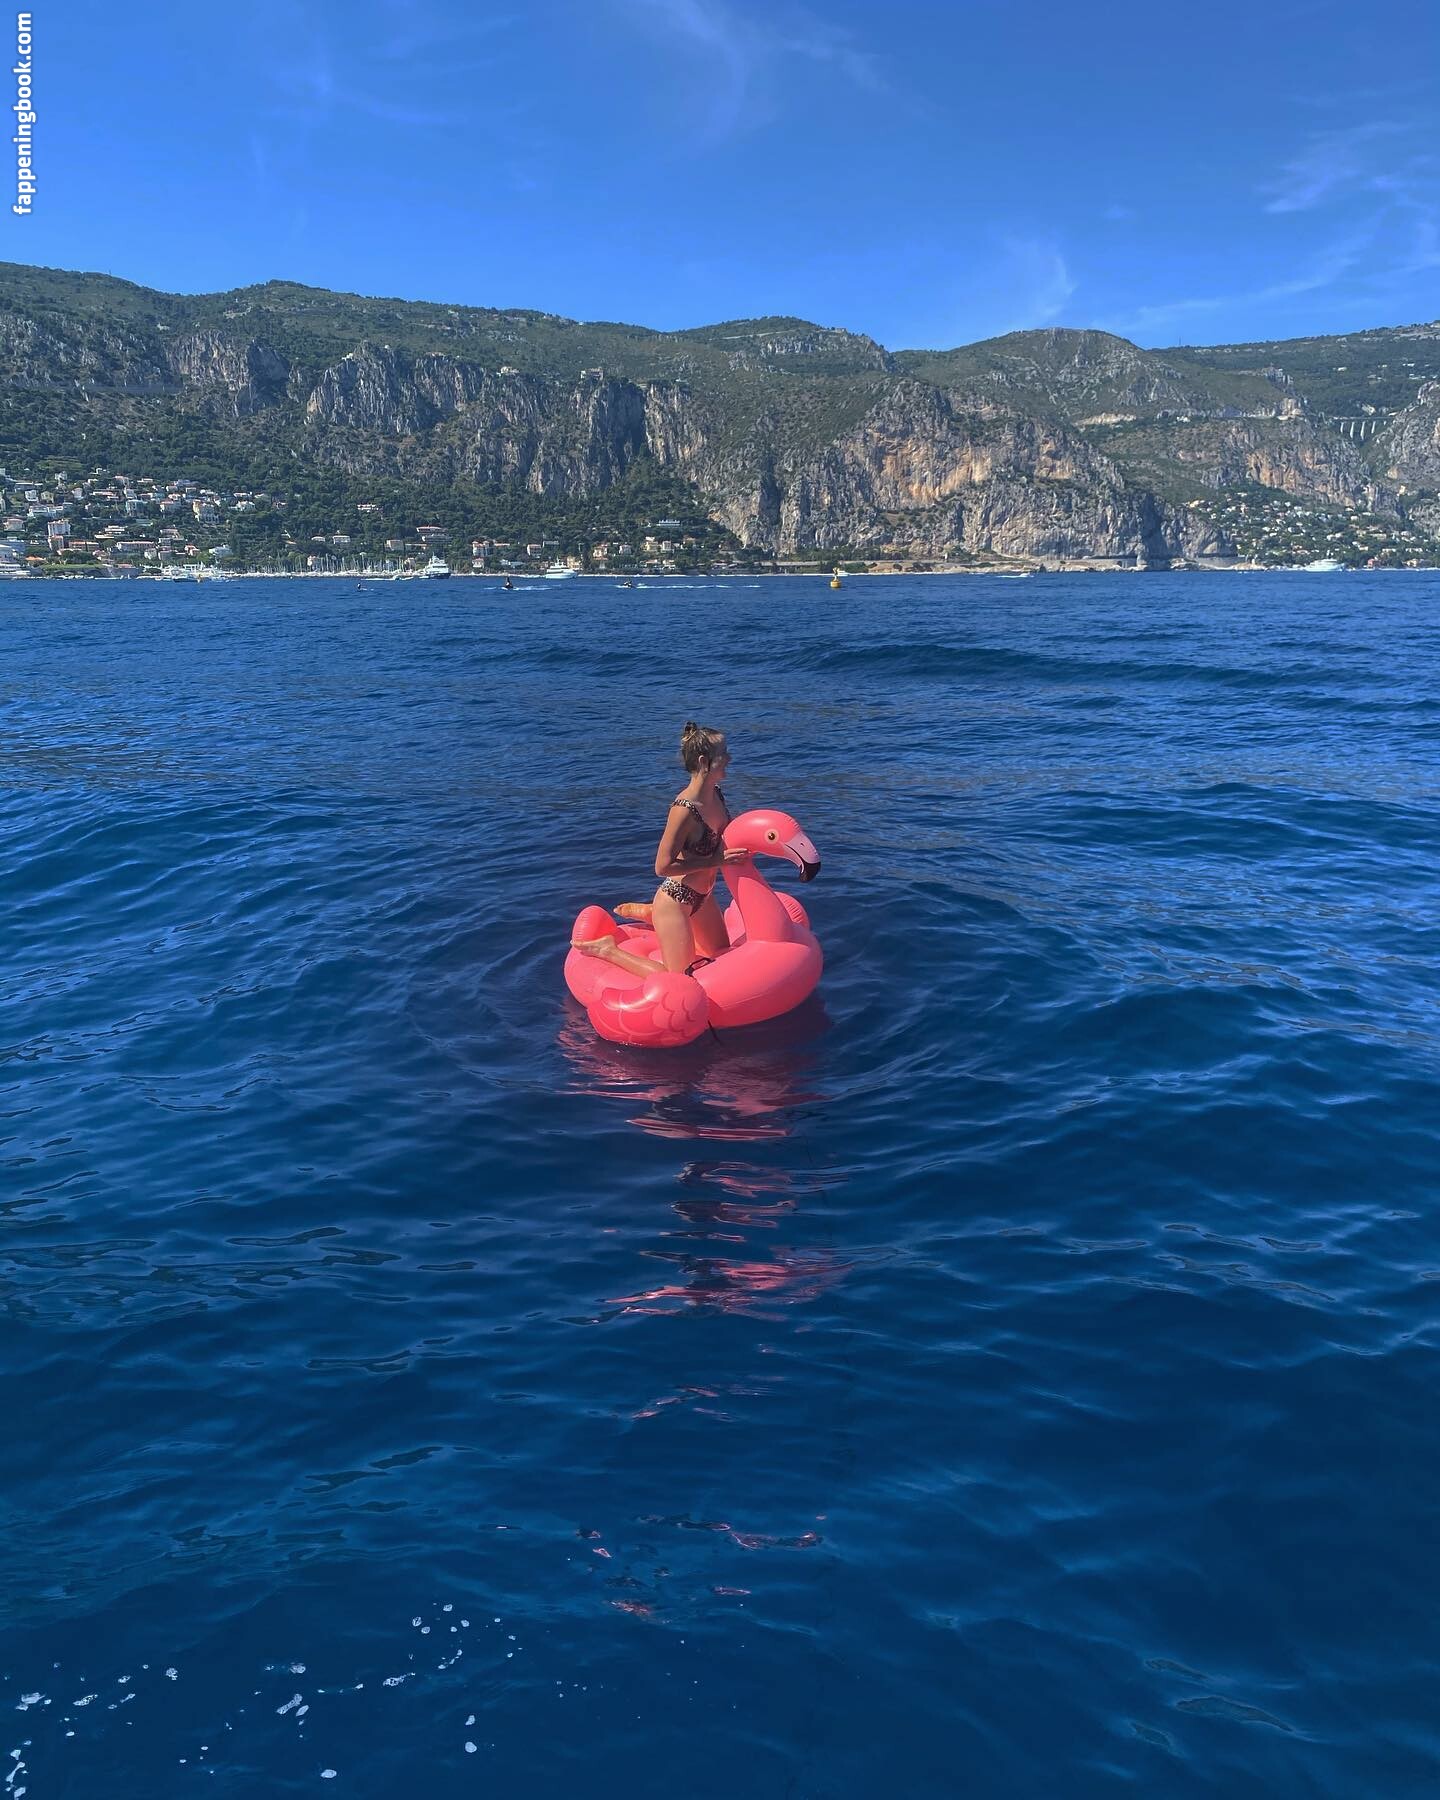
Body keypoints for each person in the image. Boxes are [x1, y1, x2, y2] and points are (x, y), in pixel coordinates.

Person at [571, 722, 750, 978]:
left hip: (705, 896)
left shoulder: (717, 795)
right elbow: (662, 866)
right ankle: (607, 949)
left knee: (723, 952)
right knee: (678, 978)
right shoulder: (684, 810)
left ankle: (649, 914)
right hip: (677, 900)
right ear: (704, 761)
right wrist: (714, 861)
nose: (729, 758)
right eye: (723, 753)